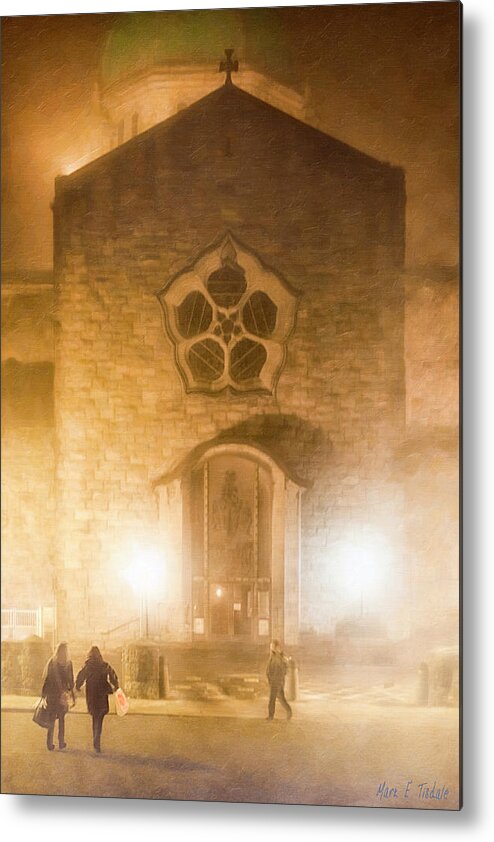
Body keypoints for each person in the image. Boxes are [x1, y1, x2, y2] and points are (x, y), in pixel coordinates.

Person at [76, 646, 119, 753]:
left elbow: (81, 676)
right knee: (100, 717)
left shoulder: (88, 666)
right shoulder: (104, 665)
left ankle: (96, 738)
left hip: (91, 694)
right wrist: (116, 686)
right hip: (102, 693)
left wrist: (78, 686)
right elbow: (113, 676)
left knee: (94, 716)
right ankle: (97, 737)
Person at [41, 641, 75, 751]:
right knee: (61, 719)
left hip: (52, 694)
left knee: (51, 719)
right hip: (62, 695)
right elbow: (71, 680)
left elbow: (46, 679)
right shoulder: (68, 663)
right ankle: (61, 742)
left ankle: (49, 743)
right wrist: (71, 693)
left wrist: (43, 694)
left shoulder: (52, 662)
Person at [266, 639, 292, 721]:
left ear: (276, 647)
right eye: (271, 646)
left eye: (272, 646)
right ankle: (289, 711)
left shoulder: (278, 657)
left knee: (273, 699)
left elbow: (281, 671)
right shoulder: (273, 656)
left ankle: (271, 716)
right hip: (275, 682)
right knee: (281, 699)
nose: (271, 648)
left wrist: (277, 681)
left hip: (276, 682)